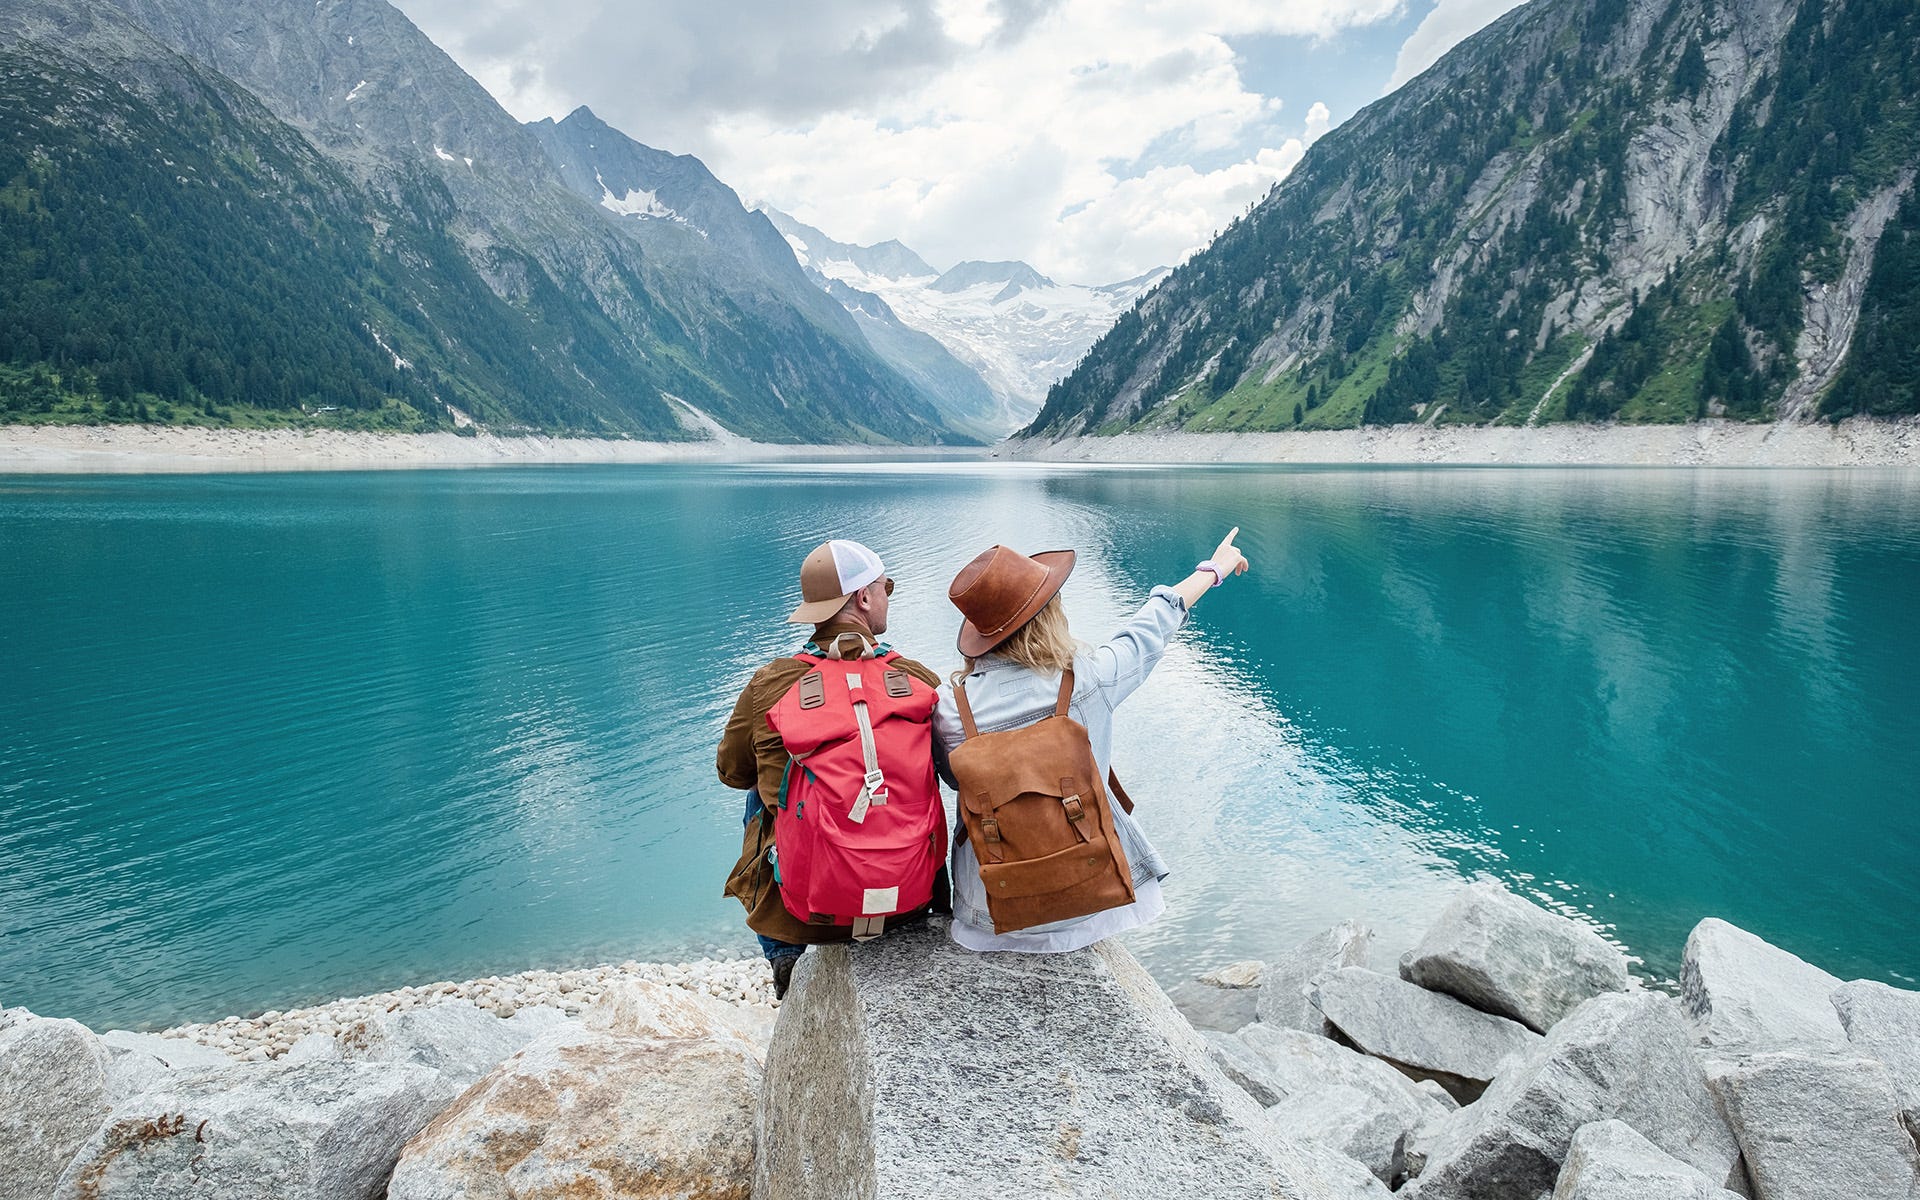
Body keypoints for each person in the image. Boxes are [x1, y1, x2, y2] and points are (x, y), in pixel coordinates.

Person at [933, 528, 1250, 953]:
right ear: (1048, 616)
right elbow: (1150, 627)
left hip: (990, 913)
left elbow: (959, 784)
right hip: (1093, 901)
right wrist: (1214, 569)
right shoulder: (1088, 678)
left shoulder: (950, 711)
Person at [718, 538, 946, 997]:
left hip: (809, 914)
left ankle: (784, 954)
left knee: (767, 791)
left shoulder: (770, 683)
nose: (887, 597)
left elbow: (731, 771)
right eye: (886, 588)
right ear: (863, 597)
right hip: (910, 899)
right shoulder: (917, 680)